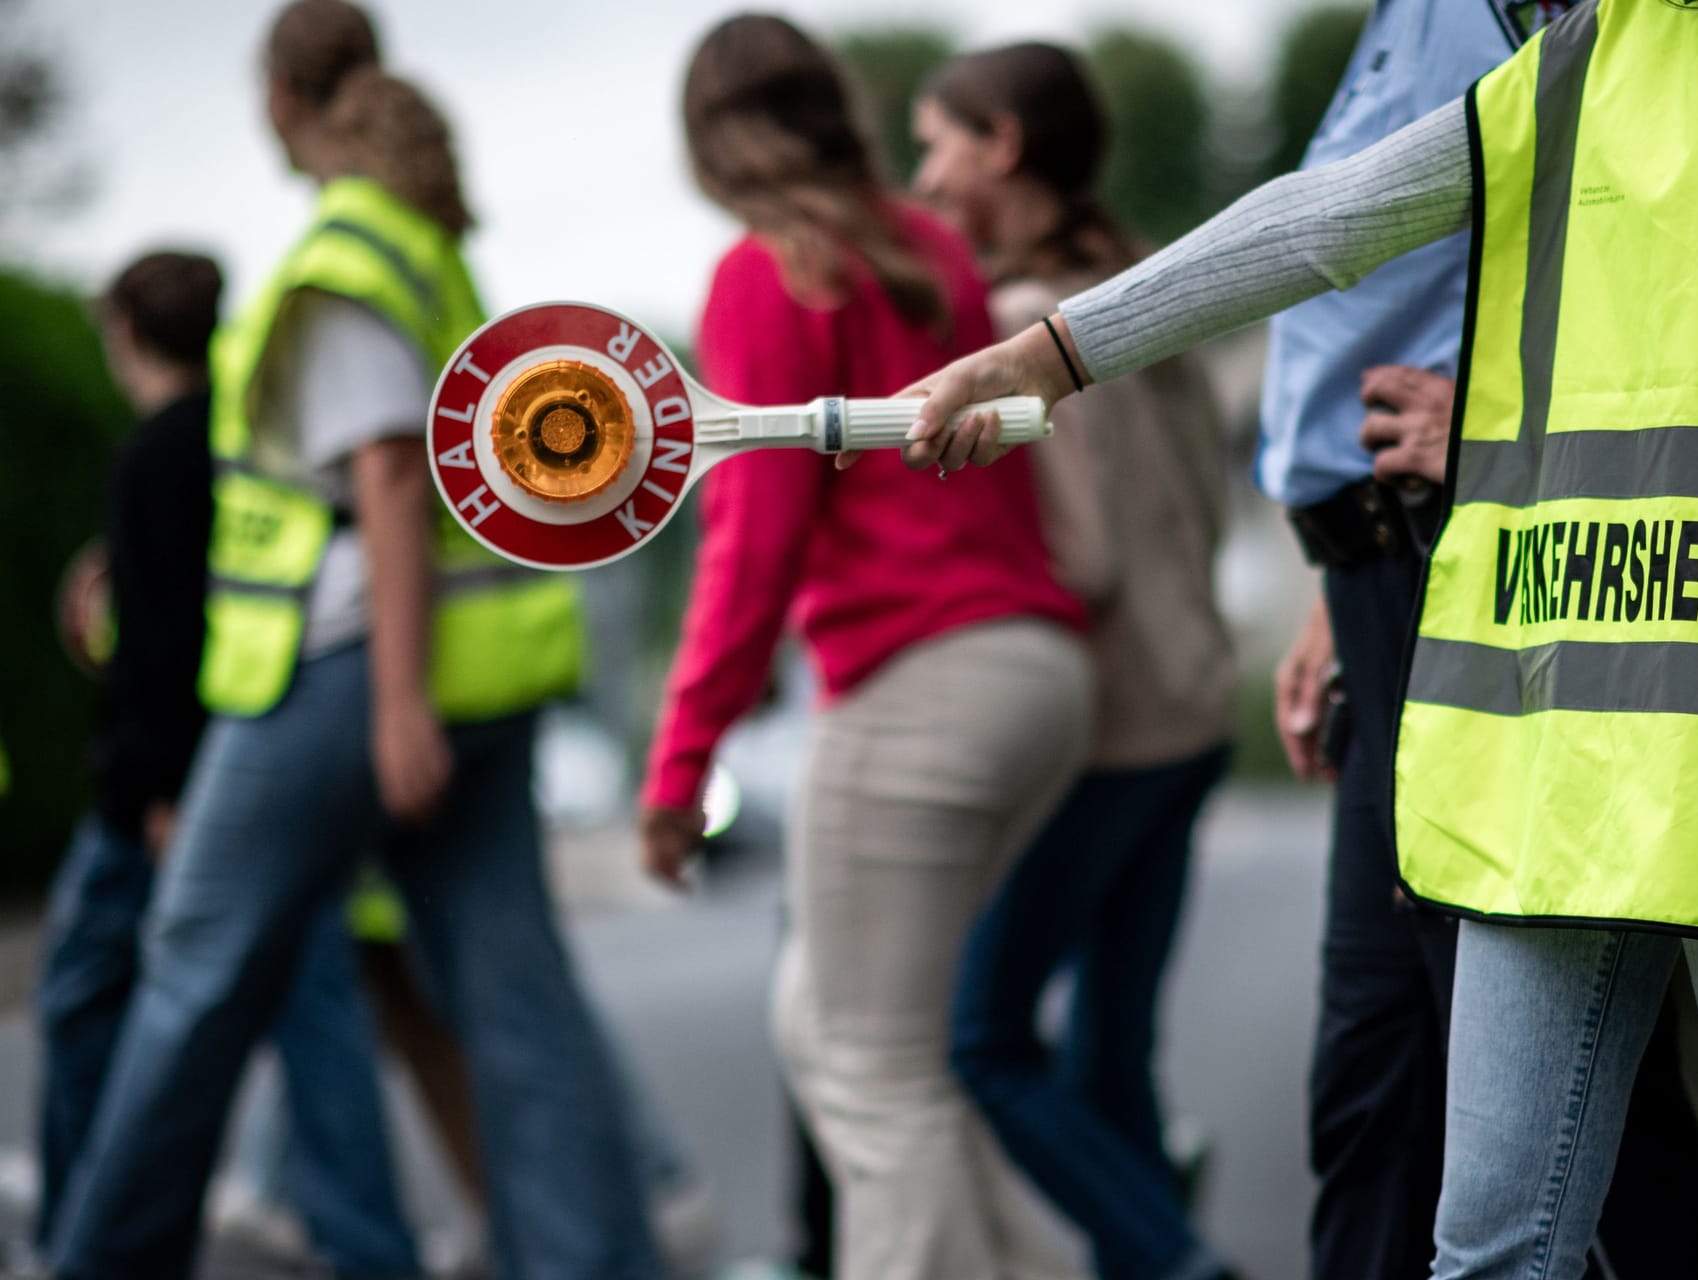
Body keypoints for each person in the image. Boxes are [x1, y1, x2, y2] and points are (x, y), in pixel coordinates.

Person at [895, 1, 1698, 1274]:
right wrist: (1051, 354)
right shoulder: (1584, 53)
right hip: (1558, 723)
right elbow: (1324, 222)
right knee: (1495, 1246)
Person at [43, 6, 658, 1277]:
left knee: (193, 968)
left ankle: (104, 1258)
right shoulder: (428, 239)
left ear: (280, 97)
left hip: (345, 677)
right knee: (515, 1003)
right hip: (474, 678)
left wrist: (394, 708)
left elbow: (385, 473)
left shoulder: (343, 252)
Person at [1257, 4, 1698, 1278]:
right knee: (1379, 1065)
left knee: (1559, 1084)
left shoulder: (1536, 12)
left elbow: (1686, 231)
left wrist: (1510, 419)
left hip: (1466, 549)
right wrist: (1328, 590)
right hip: (1372, 565)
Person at [639, 15, 1091, 1280]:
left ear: (712, 142)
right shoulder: (927, 242)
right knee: (836, 1029)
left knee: (872, 1069)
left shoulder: (767, 270)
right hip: (1035, 672)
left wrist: (678, 768)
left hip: (922, 683)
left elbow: (751, 536)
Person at [910, 43, 1238, 1280]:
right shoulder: (1140, 285)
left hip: (1109, 727)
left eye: (937, 140)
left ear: (1001, 148)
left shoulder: (1012, 329)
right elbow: (1202, 503)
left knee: (983, 1038)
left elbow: (1083, 556)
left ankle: (1177, 1261)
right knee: (1113, 1052)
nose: (923, 171)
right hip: (1195, 699)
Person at [33, 249, 420, 1280]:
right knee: (312, 1001)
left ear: (125, 331)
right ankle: (369, 1246)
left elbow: (158, 641)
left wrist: (158, 786)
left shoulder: (153, 454)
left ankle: (87, 1237)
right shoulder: (250, 436)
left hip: (183, 784)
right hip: (272, 745)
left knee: (90, 997)